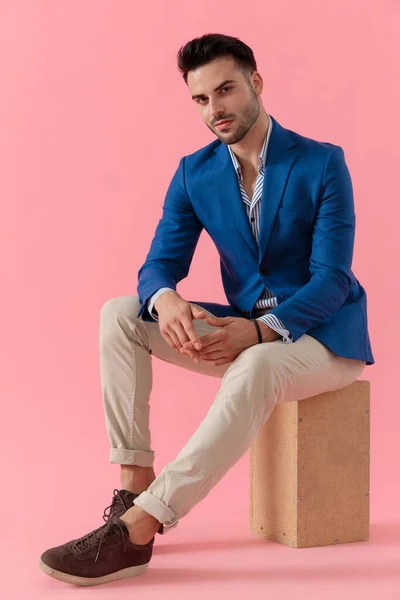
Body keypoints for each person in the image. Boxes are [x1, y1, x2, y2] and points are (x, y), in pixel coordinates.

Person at [39, 33, 374, 586]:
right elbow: (158, 263)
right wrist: (165, 296)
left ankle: (142, 525)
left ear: (255, 84)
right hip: (238, 335)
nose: (215, 110)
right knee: (121, 312)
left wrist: (262, 330)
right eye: (201, 99)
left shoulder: (321, 162)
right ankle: (132, 483)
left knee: (259, 363)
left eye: (225, 90)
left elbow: (334, 279)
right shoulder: (195, 172)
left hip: (324, 338)